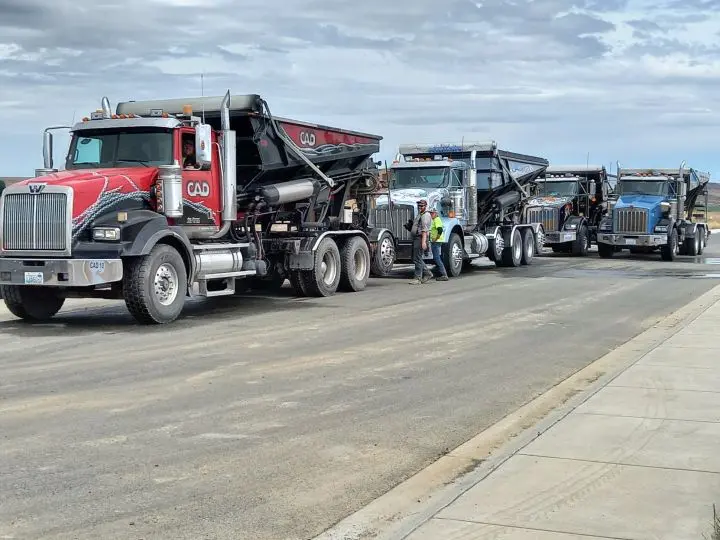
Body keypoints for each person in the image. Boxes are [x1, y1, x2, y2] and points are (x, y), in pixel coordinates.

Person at [407, 199, 433, 285]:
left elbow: (424, 230)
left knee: (417, 258)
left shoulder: (425, 215)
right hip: (417, 238)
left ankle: (418, 278)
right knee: (416, 258)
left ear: (426, 206)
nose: (420, 207)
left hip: (420, 238)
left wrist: (423, 242)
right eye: (419, 206)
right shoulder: (420, 214)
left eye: (422, 206)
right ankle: (427, 273)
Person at [429, 208, 448, 281]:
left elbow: (440, 230)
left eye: (432, 213)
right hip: (436, 241)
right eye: (430, 213)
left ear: (436, 213)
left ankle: (444, 275)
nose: (431, 214)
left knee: (437, 258)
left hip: (436, 241)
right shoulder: (435, 220)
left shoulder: (437, 220)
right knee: (437, 257)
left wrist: (436, 238)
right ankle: (441, 272)